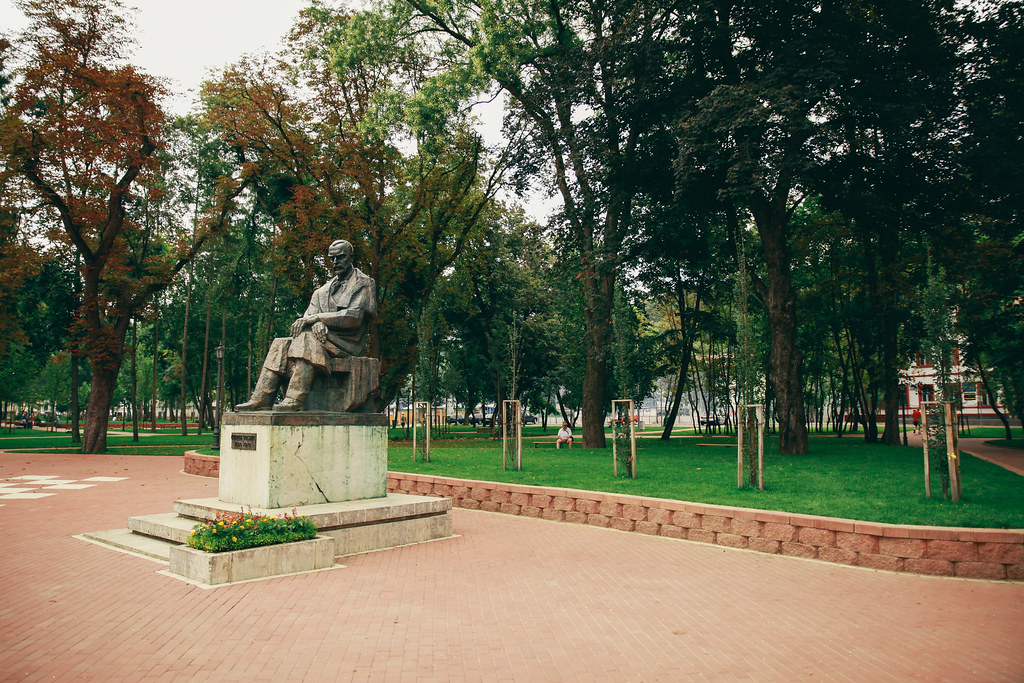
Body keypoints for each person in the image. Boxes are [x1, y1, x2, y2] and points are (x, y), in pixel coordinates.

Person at [236, 239, 377, 411]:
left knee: (307, 339)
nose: (335, 262)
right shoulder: (322, 291)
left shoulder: (364, 283)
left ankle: (295, 398)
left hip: (347, 343)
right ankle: (262, 398)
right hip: (321, 339)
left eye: (340, 257)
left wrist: (318, 319)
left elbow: (353, 317)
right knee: (281, 343)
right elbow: (305, 320)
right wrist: (315, 323)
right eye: (332, 258)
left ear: (351, 257)